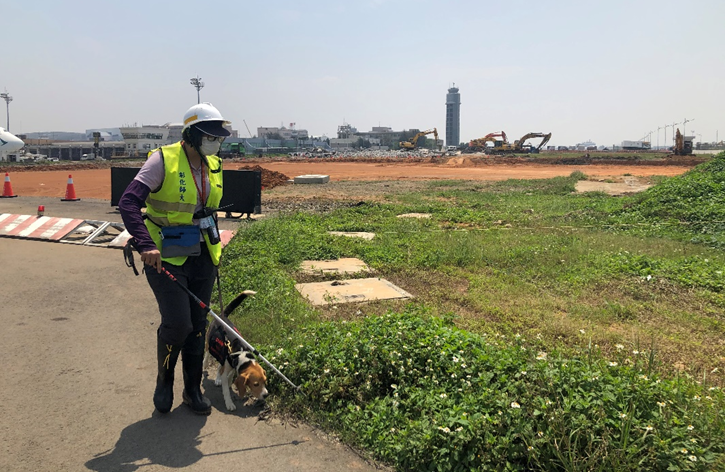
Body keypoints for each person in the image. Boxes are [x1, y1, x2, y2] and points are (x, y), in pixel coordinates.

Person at [119, 103, 230, 415]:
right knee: (178, 323)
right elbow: (128, 202)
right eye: (210, 136)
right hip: (165, 254)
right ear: (192, 135)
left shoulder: (214, 163)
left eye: (219, 138)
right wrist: (144, 244)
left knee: (197, 325)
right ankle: (164, 380)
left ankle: (192, 389)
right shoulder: (162, 160)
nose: (216, 142)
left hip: (203, 254)